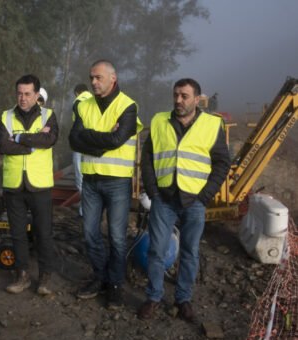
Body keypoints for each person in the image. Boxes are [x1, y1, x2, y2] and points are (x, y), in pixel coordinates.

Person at [137, 78, 230, 321]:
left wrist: (206, 195)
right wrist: (153, 191)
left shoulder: (212, 124)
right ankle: (154, 297)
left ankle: (183, 299)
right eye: (176, 95)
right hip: (164, 198)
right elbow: (147, 158)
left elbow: (222, 162)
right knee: (156, 251)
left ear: (197, 99)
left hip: (194, 201)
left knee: (190, 252)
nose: (178, 100)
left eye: (184, 96)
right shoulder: (159, 121)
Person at [69, 60, 143, 309]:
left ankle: (115, 285)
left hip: (117, 182)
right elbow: (73, 140)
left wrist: (89, 137)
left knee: (117, 238)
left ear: (113, 78)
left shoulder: (128, 106)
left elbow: (118, 139)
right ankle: (100, 276)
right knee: (90, 235)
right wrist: (102, 142)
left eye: (98, 78)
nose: (93, 82)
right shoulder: (83, 104)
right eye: (91, 78)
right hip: (90, 180)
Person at [0, 74, 59, 295]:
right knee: (17, 233)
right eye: (19, 93)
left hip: (39, 185)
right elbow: (2, 145)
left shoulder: (48, 116)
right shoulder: (6, 116)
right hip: (14, 185)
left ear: (37, 94)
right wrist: (33, 143)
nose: (22, 98)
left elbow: (49, 140)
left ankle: (45, 278)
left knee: (44, 232)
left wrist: (19, 139)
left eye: (27, 94)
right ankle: (21, 276)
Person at [71, 84, 93, 216]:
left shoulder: (78, 101)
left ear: (76, 92)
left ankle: (84, 211)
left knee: (80, 176)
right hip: (92, 142)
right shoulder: (96, 99)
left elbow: (77, 125)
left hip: (80, 143)